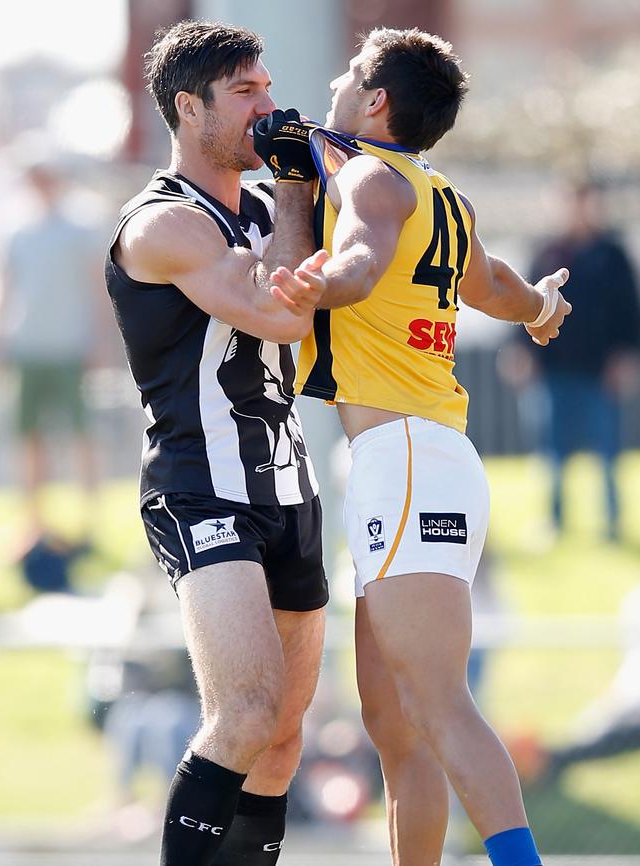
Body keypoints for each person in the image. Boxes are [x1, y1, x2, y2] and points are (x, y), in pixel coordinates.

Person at [259, 27, 571, 866]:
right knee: (395, 727)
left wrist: (323, 280)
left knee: (435, 708)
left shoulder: (368, 175)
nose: (335, 77)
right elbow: (495, 284)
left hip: (403, 462)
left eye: (352, 72)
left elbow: (359, 257)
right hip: (419, 462)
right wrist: (539, 308)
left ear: (376, 101)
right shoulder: (440, 194)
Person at [104, 20, 329, 866]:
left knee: (282, 738)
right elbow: (283, 313)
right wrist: (304, 190)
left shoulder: (276, 205)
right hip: (201, 486)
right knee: (244, 712)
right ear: (187, 106)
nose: (269, 108)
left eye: (268, 88)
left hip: (287, 485)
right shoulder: (163, 225)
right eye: (245, 93)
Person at [0, 148, 104, 583]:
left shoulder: (82, 225)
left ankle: (87, 522)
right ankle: (33, 519)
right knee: (30, 437)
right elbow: (4, 287)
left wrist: (99, 342)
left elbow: (97, 287)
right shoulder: (15, 228)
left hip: (69, 346)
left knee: (80, 434)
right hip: (28, 347)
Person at [511, 179, 640, 541]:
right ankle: (553, 523)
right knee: (550, 452)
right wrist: (521, 352)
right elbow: (523, 302)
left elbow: (629, 312)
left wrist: (626, 358)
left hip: (600, 373)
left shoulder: (613, 256)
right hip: (553, 370)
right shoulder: (546, 252)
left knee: (609, 453)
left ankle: (613, 526)